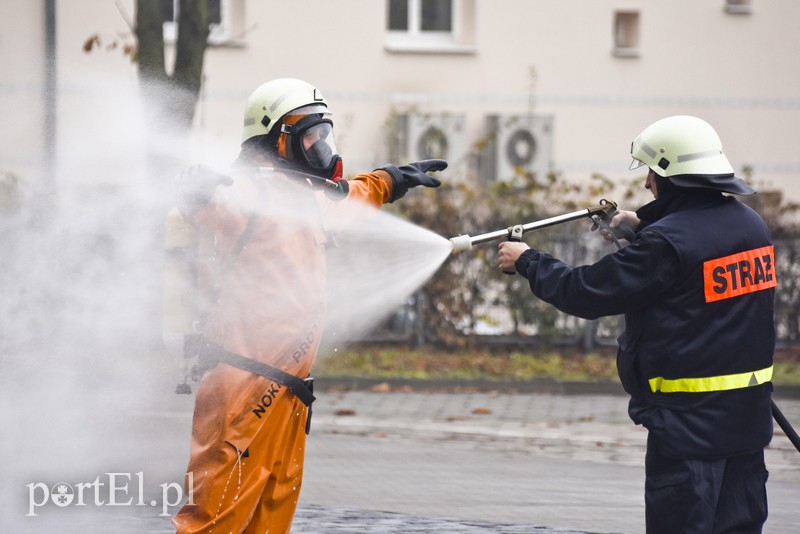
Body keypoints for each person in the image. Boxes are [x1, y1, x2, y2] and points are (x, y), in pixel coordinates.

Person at [164, 77, 446, 533]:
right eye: (310, 135)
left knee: (270, 518)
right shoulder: (243, 191)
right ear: (277, 137)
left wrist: (390, 179)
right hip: (241, 392)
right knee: (214, 519)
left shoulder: (305, 198)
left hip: (290, 395)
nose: (320, 146)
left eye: (323, 134)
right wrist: (195, 189)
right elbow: (208, 203)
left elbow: (351, 196)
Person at [498, 115, 775, 533]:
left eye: (652, 172)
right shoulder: (751, 226)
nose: (647, 183)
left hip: (687, 435)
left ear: (672, 176)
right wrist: (643, 229)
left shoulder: (667, 243)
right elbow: (695, 274)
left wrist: (528, 261)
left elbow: (586, 292)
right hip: (746, 428)